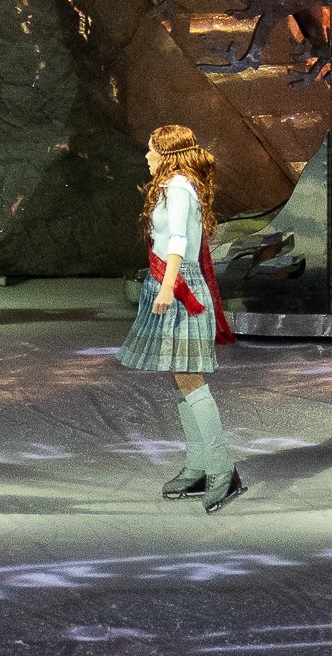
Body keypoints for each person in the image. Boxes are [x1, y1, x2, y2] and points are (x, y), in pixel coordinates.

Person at [120, 123, 242, 512]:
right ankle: (200, 465)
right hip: (171, 283)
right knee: (179, 377)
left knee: (189, 379)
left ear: (167, 155)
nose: (147, 156)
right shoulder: (174, 185)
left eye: (151, 149)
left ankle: (221, 469)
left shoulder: (177, 187)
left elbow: (177, 240)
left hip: (180, 287)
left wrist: (168, 286)